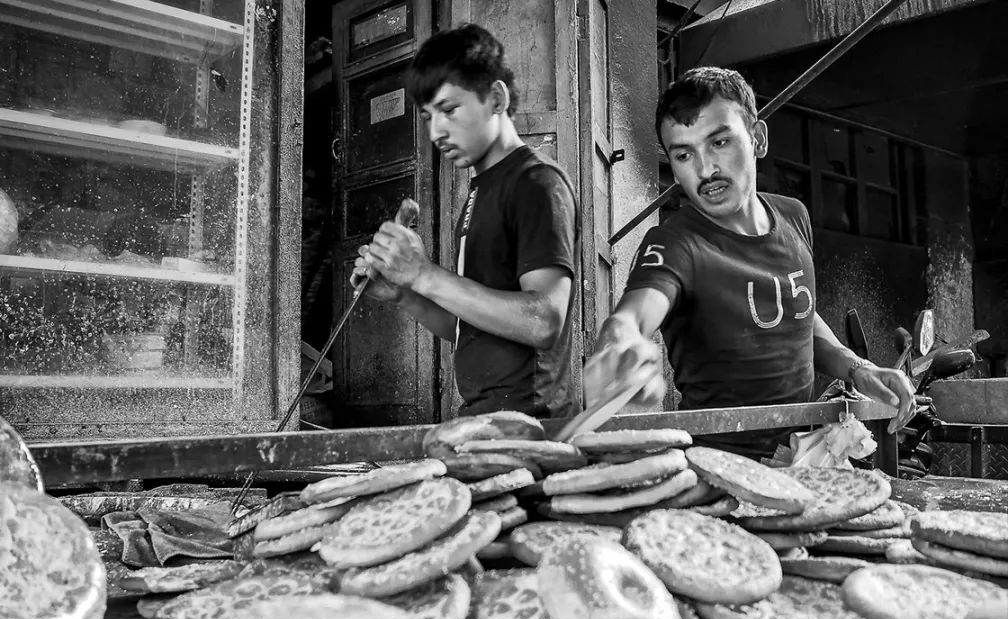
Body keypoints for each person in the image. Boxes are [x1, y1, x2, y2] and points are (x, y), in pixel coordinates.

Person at [585, 67, 916, 459]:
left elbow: (798, 314)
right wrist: (617, 348)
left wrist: (858, 368)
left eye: (720, 142)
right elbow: (633, 318)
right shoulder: (675, 242)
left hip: (804, 454)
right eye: (684, 154)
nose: (705, 169)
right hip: (716, 466)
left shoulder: (794, 216)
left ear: (757, 139)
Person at [352, 24, 579, 419]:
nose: (436, 130)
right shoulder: (480, 190)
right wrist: (405, 292)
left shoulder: (536, 183)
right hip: (483, 418)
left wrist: (423, 274)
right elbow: (467, 330)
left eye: (449, 109)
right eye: (427, 116)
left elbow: (544, 320)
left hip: (533, 425)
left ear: (495, 98)